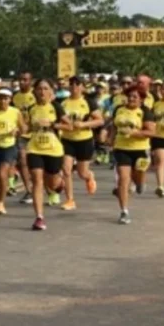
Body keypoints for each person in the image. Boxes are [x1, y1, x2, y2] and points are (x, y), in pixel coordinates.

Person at [22, 79, 69, 231]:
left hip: (53, 150)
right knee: (36, 180)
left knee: (52, 184)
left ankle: (59, 183)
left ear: (50, 92)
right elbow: (27, 128)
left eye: (45, 88)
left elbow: (69, 126)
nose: (42, 92)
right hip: (35, 148)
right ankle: (39, 217)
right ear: (34, 91)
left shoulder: (56, 107)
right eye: (39, 89)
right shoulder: (31, 109)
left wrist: (52, 124)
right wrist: (23, 129)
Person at [111, 86, 155, 224]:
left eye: (135, 97)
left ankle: (140, 183)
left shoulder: (145, 112)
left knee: (138, 175)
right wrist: (110, 137)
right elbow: (114, 126)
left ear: (141, 100)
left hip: (141, 149)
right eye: (130, 96)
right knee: (123, 179)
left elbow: (151, 132)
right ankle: (124, 211)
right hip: (121, 148)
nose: (131, 99)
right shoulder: (119, 109)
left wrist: (134, 133)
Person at [59, 76, 101, 210]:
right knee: (66, 170)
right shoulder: (63, 103)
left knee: (82, 173)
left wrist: (83, 124)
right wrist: (64, 126)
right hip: (67, 140)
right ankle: (70, 200)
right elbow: (58, 120)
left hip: (84, 140)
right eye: (71, 84)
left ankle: (89, 176)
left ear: (83, 87)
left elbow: (100, 121)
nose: (74, 87)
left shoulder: (89, 102)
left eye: (77, 84)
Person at [13, 72, 37, 203]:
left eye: (25, 80)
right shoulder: (15, 97)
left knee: (37, 165)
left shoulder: (36, 95)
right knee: (22, 161)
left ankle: (51, 189)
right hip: (22, 134)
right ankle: (29, 190)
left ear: (30, 81)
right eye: (20, 79)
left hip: (37, 133)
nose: (22, 82)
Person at [151, 81, 164, 197]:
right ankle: (160, 187)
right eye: (163, 89)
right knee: (161, 161)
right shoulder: (156, 104)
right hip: (159, 136)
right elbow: (152, 121)